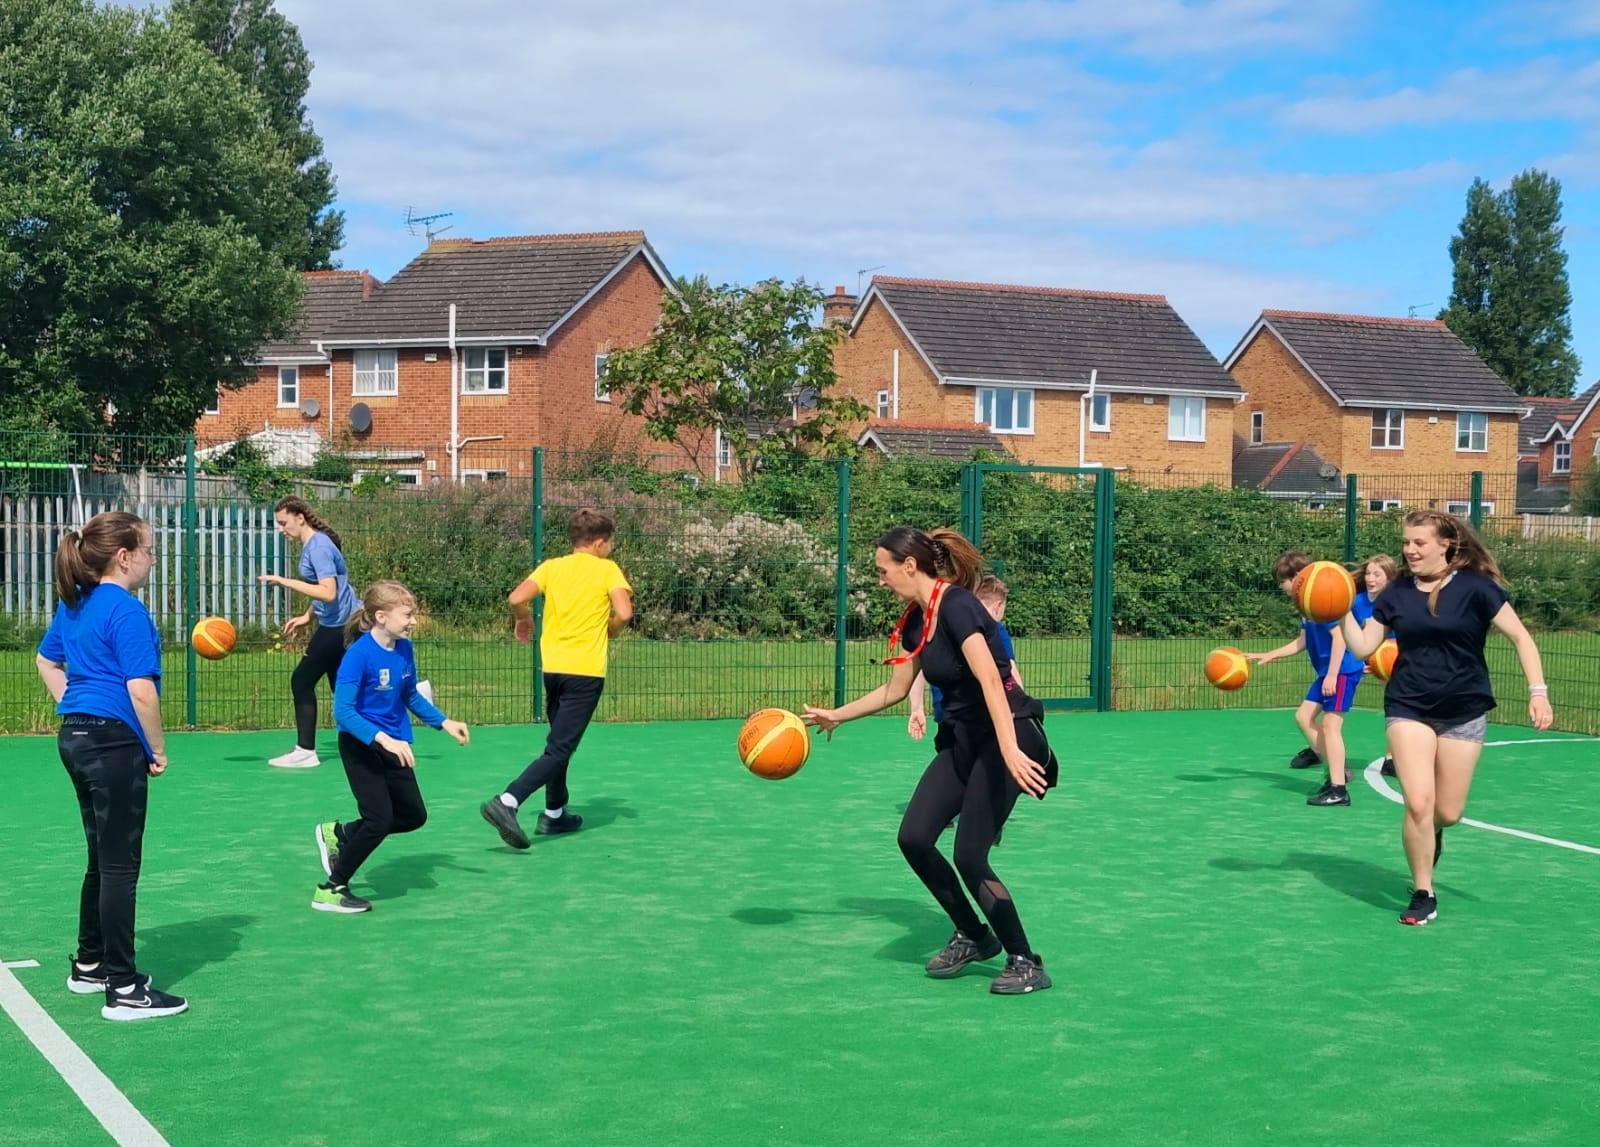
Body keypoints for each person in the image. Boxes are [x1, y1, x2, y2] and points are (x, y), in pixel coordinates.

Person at [803, 527, 1058, 996]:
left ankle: (1025, 959)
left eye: (883, 570)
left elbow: (991, 681)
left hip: (1010, 733)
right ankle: (975, 936)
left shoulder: (961, 607)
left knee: (969, 854)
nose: (879, 579)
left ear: (909, 565)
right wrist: (835, 716)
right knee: (914, 837)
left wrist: (1008, 751)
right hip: (962, 741)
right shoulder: (917, 620)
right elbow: (896, 690)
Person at [1340, 511, 1552, 926]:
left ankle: (1431, 832)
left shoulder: (1476, 587)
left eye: (1419, 543)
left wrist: (1538, 692)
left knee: (1447, 812)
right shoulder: (1398, 592)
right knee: (1418, 802)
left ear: (1446, 545)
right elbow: (1365, 647)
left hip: (1464, 709)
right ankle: (1424, 891)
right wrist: (1337, 610)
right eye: (1406, 542)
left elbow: (1521, 637)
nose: (1409, 550)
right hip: (1408, 706)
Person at [35, 512, 187, 1020]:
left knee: (101, 859)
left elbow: (46, 662)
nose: (152, 558)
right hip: (112, 744)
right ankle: (123, 989)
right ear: (124, 556)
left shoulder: (75, 603)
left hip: (75, 739)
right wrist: (157, 748)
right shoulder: (125, 610)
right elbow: (140, 690)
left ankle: (91, 963)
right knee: (121, 865)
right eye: (148, 550)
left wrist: (76, 704)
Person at [480, 508, 633, 850]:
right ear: (598, 543)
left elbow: (517, 598)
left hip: (554, 669)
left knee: (558, 743)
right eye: (609, 543)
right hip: (586, 672)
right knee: (561, 747)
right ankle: (508, 801)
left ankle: (554, 813)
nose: (610, 549)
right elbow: (624, 612)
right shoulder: (607, 569)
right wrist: (612, 628)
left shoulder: (552, 567)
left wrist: (522, 620)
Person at [313, 581, 469, 913]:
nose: (413, 621)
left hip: (395, 744)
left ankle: (340, 833)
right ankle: (331, 888)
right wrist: (383, 739)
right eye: (408, 614)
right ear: (381, 616)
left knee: (413, 816)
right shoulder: (357, 656)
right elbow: (342, 711)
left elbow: (409, 694)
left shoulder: (403, 649)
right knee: (378, 819)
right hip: (361, 745)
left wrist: (444, 722)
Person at [1245, 550, 1370, 807]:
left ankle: (1338, 788)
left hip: (1343, 670)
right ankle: (1336, 769)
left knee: (1330, 727)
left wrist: (1333, 675)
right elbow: (1302, 641)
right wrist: (1271, 654)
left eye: (1283, 581)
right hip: (1330, 672)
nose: (1282, 587)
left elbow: (1339, 637)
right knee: (1303, 717)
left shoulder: (1323, 600)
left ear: (1298, 578)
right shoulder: (1306, 606)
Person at [258, 496, 360, 769]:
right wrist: (306, 616)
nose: (281, 529)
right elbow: (329, 588)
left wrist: (284, 581)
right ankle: (366, 741)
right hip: (340, 622)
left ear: (299, 517)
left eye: (283, 522)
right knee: (342, 687)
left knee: (301, 680)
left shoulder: (318, 547)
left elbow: (329, 592)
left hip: (339, 626)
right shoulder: (316, 544)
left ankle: (305, 751)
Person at [908, 575, 1022, 742]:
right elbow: (1010, 672)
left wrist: (917, 707)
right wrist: (1019, 709)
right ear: (998, 606)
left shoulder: (940, 624)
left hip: (945, 712)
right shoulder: (995, 629)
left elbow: (918, 668)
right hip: (981, 713)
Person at [1358, 554, 1401, 778]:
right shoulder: (1356, 602)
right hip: (1369, 661)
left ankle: (1392, 758)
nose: (1370, 578)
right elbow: (1350, 637)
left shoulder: (1398, 601)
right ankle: (1318, 748)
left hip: (1397, 662)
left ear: (1389, 579)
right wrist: (1363, 661)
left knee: (1396, 708)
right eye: (1368, 573)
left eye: (1377, 574)